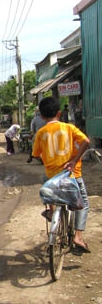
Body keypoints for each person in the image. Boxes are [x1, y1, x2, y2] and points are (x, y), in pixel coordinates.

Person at [32, 97, 91, 254]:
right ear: (59, 113)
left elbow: (36, 154)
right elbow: (86, 141)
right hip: (72, 175)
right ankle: (78, 237)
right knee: (83, 203)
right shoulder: (69, 128)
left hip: (52, 176)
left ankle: (52, 211)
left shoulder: (40, 133)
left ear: (42, 116)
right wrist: (73, 161)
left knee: (46, 182)